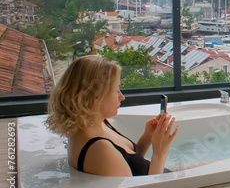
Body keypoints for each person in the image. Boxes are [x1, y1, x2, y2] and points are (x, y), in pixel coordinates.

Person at [46, 55, 178, 176]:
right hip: (158, 185)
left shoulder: (95, 123)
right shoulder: (99, 149)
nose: (122, 97)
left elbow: (130, 165)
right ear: (96, 96)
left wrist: (148, 136)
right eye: (116, 90)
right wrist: (160, 152)